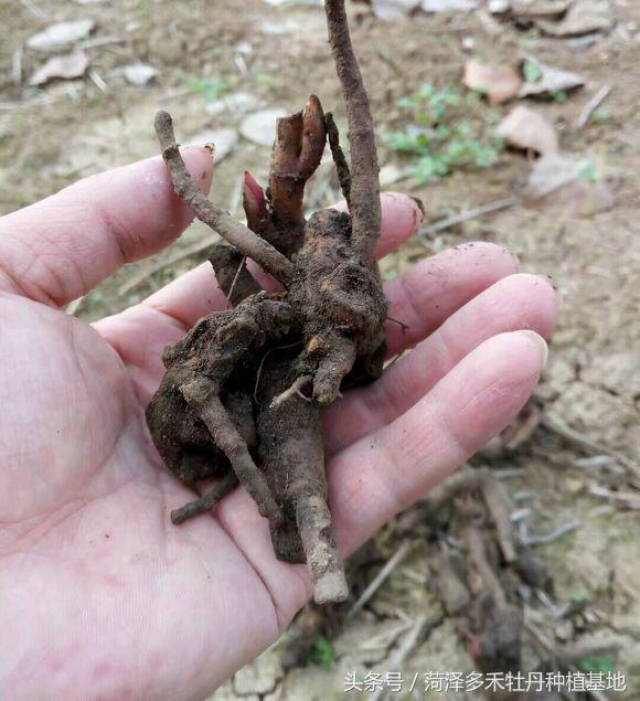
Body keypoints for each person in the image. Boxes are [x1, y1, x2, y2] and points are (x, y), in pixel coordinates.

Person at [0, 147, 559, 700]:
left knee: (301, 470)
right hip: (194, 435)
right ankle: (313, 544)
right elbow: (213, 335)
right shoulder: (253, 321)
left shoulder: (324, 295)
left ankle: (316, 547)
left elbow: (275, 268)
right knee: (289, 465)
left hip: (231, 417)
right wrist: (254, 481)